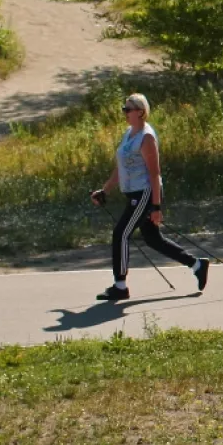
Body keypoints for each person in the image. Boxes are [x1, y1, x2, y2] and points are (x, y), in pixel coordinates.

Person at [88, 92, 208, 302]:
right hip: (134, 193)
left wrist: (156, 206)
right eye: (124, 109)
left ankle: (120, 286)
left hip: (145, 193)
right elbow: (122, 168)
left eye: (128, 109)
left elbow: (155, 173)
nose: (124, 113)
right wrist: (105, 190)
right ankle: (197, 264)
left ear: (140, 112)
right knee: (153, 239)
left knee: (120, 234)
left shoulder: (147, 137)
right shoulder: (129, 133)